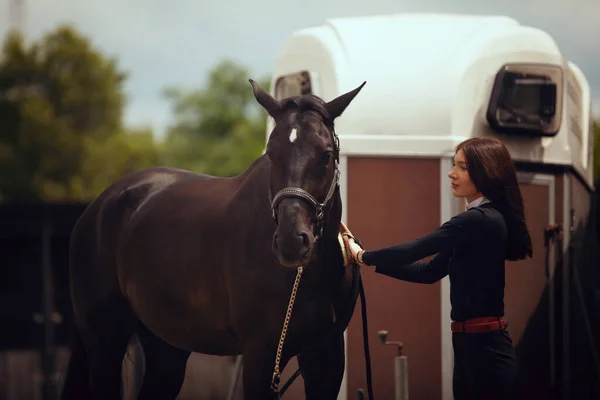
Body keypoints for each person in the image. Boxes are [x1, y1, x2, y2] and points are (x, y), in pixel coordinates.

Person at [343, 137, 532, 400]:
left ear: (485, 171)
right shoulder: (479, 221)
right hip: (469, 347)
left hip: (487, 352)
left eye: (462, 167)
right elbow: (428, 272)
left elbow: (415, 249)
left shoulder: (478, 220)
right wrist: (373, 264)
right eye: (455, 166)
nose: (452, 173)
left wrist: (363, 255)